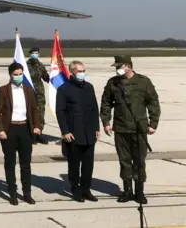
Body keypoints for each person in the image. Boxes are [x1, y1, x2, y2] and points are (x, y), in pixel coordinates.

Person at [100, 55, 160, 204]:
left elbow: (153, 103)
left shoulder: (143, 82)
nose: (117, 69)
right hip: (120, 128)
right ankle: (127, 191)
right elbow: (106, 103)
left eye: (119, 67)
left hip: (139, 129)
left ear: (127, 66)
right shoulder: (113, 83)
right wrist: (106, 122)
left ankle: (140, 191)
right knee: (124, 161)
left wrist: (153, 123)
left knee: (139, 161)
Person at [0, 62, 40, 206]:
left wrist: (36, 126)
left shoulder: (28, 90)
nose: (18, 77)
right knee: (10, 163)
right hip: (10, 129)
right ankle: (12, 193)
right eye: (15, 74)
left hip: (25, 129)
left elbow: (34, 109)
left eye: (20, 74)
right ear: (10, 75)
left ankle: (27, 193)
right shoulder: (4, 90)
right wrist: (0, 129)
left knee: (26, 164)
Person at [55, 60, 100, 202]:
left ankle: (86, 189)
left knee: (88, 165)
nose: (82, 74)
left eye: (83, 71)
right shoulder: (64, 89)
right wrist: (65, 131)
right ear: (72, 72)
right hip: (74, 134)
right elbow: (60, 112)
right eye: (80, 71)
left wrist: (96, 128)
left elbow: (94, 109)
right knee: (74, 165)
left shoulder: (89, 87)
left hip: (89, 133)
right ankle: (76, 190)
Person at [26, 47, 50, 144]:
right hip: (29, 92)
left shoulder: (40, 65)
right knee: (29, 113)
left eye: (37, 53)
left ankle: (39, 132)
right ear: (30, 54)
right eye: (34, 53)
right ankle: (31, 133)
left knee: (40, 113)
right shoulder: (26, 66)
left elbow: (46, 77)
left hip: (39, 93)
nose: (35, 54)